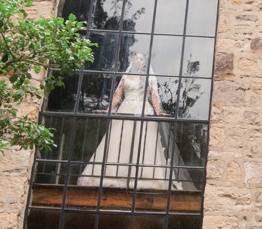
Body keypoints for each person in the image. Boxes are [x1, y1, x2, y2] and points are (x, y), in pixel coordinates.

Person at [78, 51, 190, 190]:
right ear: (133, 61)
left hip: (144, 109)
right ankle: (115, 175)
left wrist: (159, 111)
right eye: (136, 58)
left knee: (144, 142)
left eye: (141, 59)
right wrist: (108, 110)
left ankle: (144, 177)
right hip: (126, 108)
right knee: (120, 140)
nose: (138, 61)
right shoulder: (126, 76)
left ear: (144, 62)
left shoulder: (149, 78)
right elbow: (118, 95)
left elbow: (154, 96)